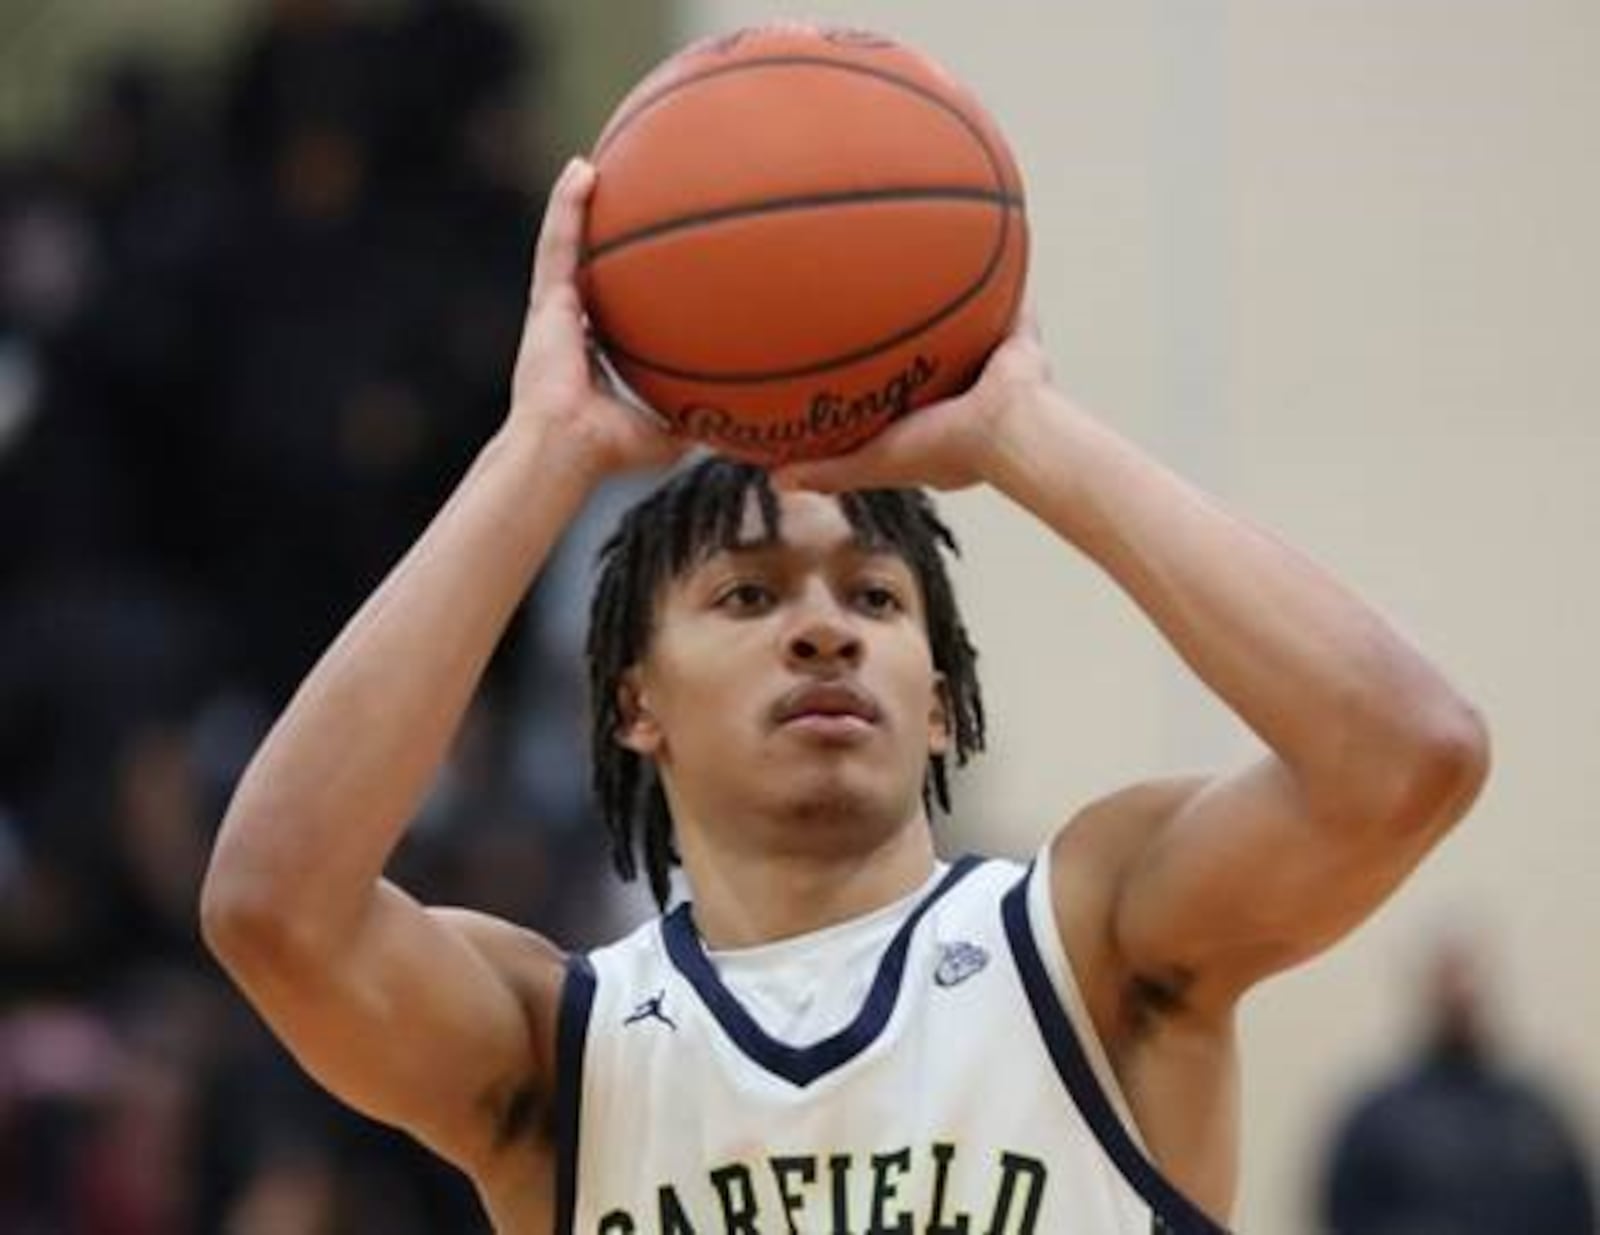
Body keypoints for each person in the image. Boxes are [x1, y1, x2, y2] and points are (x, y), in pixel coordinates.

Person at [200, 156, 1490, 1234]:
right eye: (750, 596)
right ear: (632, 703)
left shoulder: (1093, 938)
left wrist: (1027, 433)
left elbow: (1405, 754)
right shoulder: (562, 1048)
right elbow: (273, 906)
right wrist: (542, 451)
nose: (823, 628)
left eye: (874, 598)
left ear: (939, 701)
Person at [1320, 933, 1595, 1234]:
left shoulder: (1534, 1114)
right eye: (1448, 984)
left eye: (1468, 983)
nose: (1459, 996)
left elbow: (1577, 1211)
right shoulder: (1378, 1120)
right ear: (1427, 994)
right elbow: (1344, 1214)